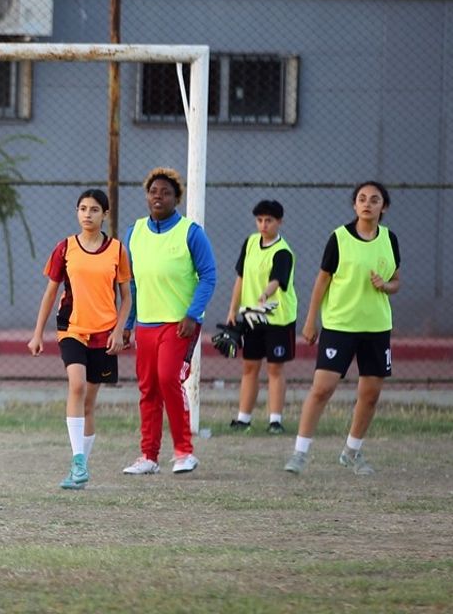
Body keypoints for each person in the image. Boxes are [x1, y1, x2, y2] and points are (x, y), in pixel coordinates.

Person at [285, 182, 401, 476]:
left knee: (371, 393)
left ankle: (352, 451)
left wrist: (385, 286)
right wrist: (311, 321)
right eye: (362, 199)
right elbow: (321, 281)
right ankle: (300, 453)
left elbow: (396, 281)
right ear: (354, 205)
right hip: (339, 326)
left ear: (383, 207)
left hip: (376, 328)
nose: (367, 204)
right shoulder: (339, 238)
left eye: (374, 200)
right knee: (322, 389)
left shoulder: (390, 239)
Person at [28, 189, 132, 491]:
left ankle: (80, 471)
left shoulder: (117, 250)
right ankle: (77, 460)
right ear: (77, 212)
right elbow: (50, 293)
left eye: (95, 209)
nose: (88, 214)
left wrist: (119, 330)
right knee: (76, 385)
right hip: (72, 328)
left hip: (105, 333)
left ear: (105, 214)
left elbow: (126, 298)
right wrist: (37, 334)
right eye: (83, 208)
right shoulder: (65, 248)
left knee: (89, 402)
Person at [121, 167, 216, 475]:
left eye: (165, 192)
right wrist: (128, 323)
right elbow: (132, 282)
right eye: (153, 191)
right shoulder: (135, 232)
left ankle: (184, 452)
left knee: (167, 379)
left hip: (179, 324)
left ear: (177, 198)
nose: (158, 196)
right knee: (147, 388)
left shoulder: (190, 232)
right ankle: (148, 457)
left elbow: (209, 276)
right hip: (145, 324)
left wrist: (192, 314)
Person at [225, 200, 296, 435]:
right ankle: (243, 419)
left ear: (279, 222)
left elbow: (277, 281)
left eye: (269, 220)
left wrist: (266, 293)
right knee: (249, 366)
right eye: (260, 220)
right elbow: (241, 278)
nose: (263, 225)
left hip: (277, 318)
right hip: (252, 317)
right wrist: (232, 310)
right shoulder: (250, 243)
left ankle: (275, 420)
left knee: (275, 369)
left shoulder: (283, 251)